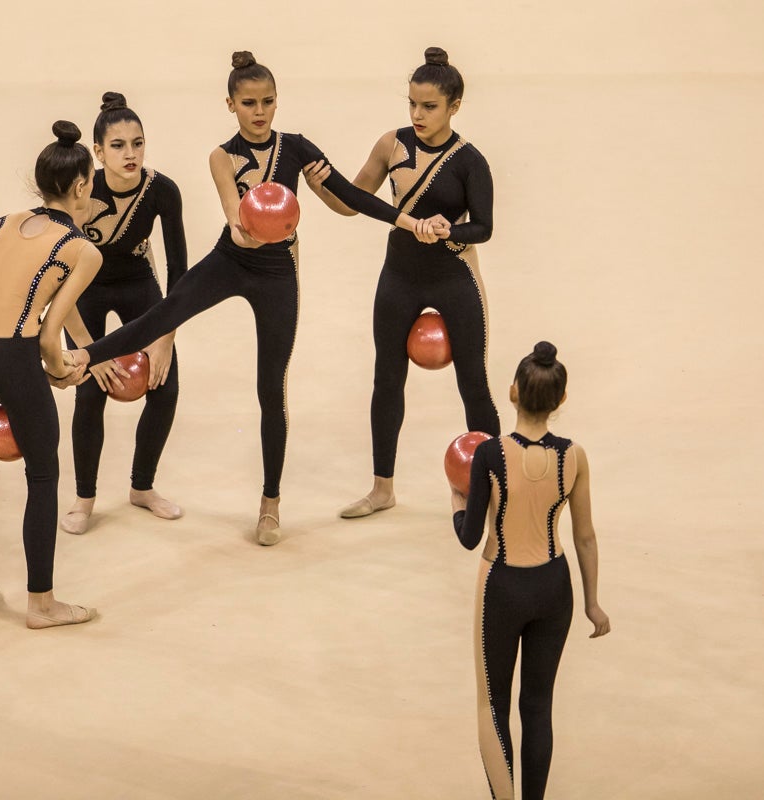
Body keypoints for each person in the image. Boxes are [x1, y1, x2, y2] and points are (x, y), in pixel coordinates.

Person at [70, 52, 434, 546]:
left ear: (276, 101)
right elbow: (229, 204)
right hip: (230, 259)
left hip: (277, 272)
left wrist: (405, 220)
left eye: (266, 101)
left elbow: (346, 199)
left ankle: (270, 506)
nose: (259, 111)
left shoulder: (297, 148)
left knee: (271, 387)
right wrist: (241, 226)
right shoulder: (222, 155)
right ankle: (85, 355)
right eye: (248, 103)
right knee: (164, 313)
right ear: (231, 104)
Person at [306, 47, 500, 518]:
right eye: (412, 103)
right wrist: (320, 187)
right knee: (386, 379)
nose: (417, 114)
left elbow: (485, 227)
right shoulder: (391, 145)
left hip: (455, 278)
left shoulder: (469, 160)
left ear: (455, 106)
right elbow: (353, 201)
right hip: (400, 277)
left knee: (473, 381)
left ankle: (499, 488)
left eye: (429, 106)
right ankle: (382, 488)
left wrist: (448, 229)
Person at [0, 121, 103, 628]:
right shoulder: (83, 248)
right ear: (81, 185)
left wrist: (88, 351)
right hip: (13, 357)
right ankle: (41, 604)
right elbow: (45, 335)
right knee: (42, 473)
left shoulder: (1, 223)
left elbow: (41, 298)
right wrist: (65, 372)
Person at [450, 341, 610, 800]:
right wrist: (593, 603)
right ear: (561, 401)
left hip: (502, 585)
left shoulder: (489, 455)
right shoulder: (574, 456)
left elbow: (468, 537)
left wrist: (457, 501)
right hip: (554, 589)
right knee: (538, 708)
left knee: (492, 706)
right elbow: (585, 536)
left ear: (512, 392)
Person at [58, 92, 187, 536]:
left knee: (164, 385)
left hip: (137, 282)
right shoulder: (80, 191)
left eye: (137, 143)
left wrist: (165, 337)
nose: (129, 154)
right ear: (97, 152)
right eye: (117, 146)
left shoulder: (162, 191)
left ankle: (143, 487)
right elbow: (59, 273)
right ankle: (84, 498)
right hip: (84, 291)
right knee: (89, 392)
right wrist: (89, 353)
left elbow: (180, 271)